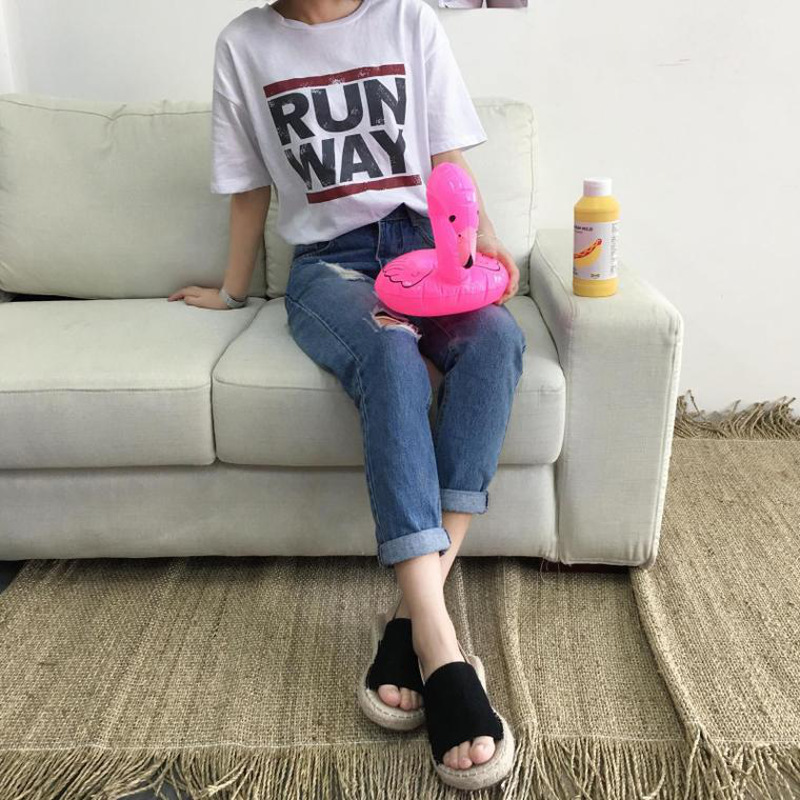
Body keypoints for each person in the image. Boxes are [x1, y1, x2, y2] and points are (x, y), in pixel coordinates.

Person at [169, 0, 525, 787]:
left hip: (427, 246)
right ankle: (443, 648)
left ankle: (409, 622)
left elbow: (445, 157)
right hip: (330, 265)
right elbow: (249, 189)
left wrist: (485, 241)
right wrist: (233, 293)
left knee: (498, 341)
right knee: (391, 352)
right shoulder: (245, 45)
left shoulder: (409, 21)